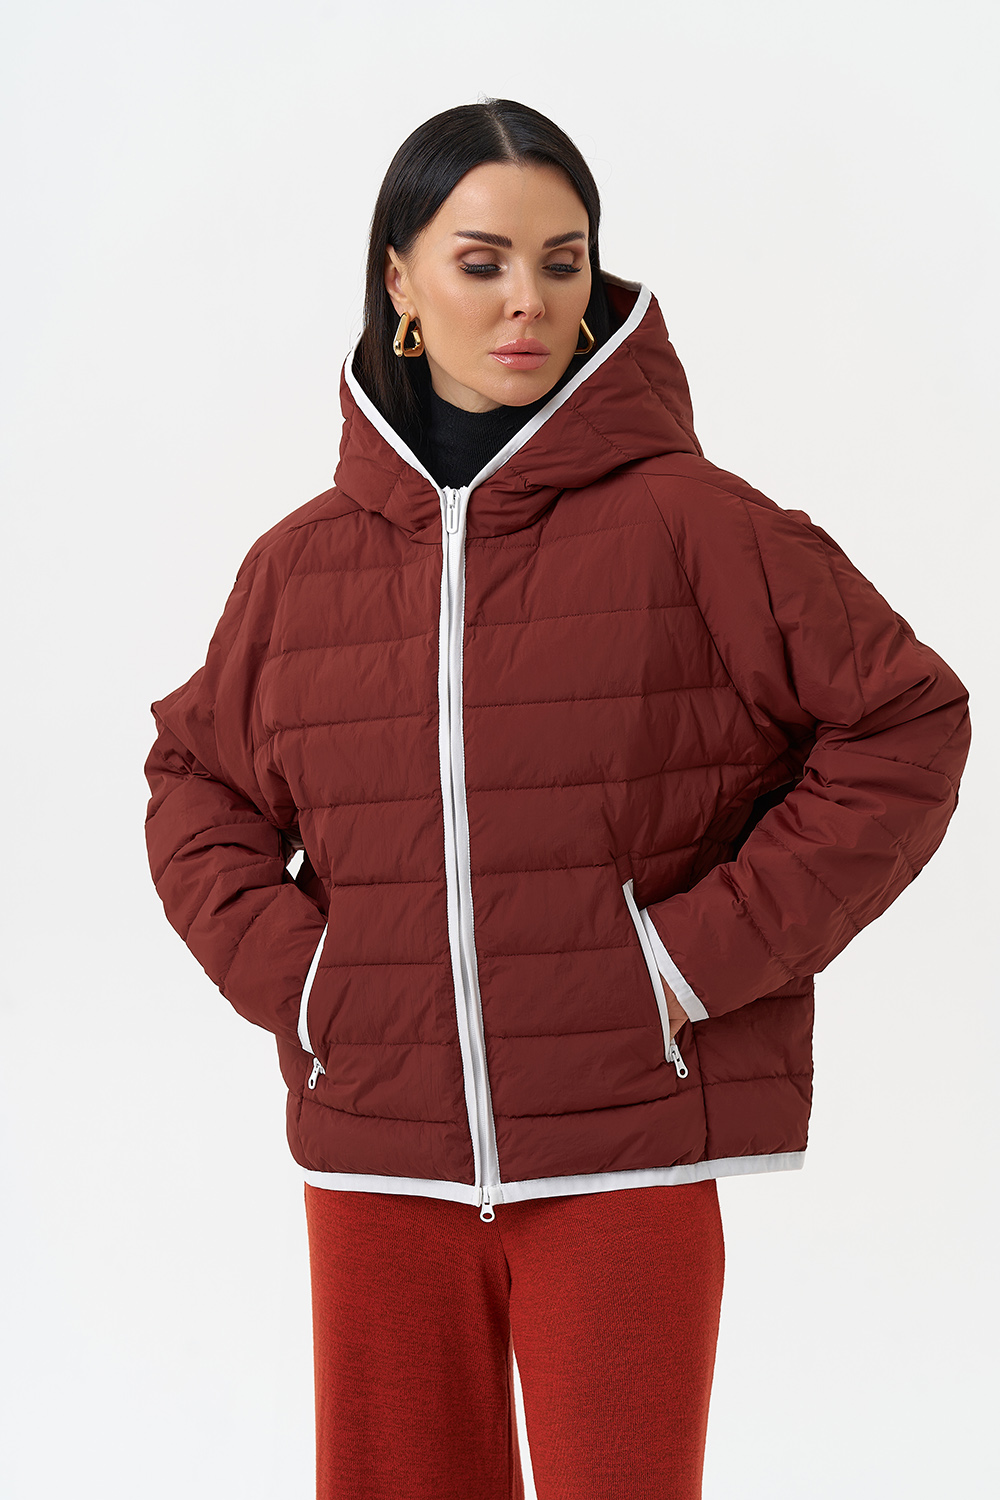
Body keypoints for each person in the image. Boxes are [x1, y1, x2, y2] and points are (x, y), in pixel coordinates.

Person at [143, 98, 972, 1500]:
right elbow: (195, 782)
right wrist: (310, 982)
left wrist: (680, 965)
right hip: (379, 1163)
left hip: (621, 1156)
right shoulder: (302, 565)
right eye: (482, 262)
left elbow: (906, 723)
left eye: (562, 260)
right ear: (401, 284)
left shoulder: (693, 522)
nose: (528, 299)